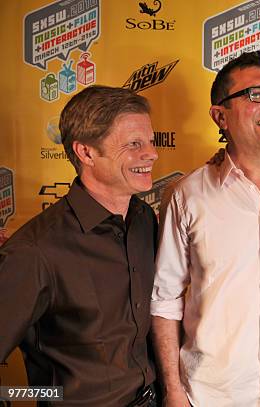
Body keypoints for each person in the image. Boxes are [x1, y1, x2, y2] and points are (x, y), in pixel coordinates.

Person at [150, 51, 260, 406]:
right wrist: (174, 390)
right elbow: (165, 298)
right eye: (256, 95)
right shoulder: (188, 195)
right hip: (208, 394)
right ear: (220, 115)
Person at [0, 85, 159, 405]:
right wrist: (53, 397)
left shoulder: (144, 220)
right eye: (134, 144)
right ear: (86, 153)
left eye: (151, 142)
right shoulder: (35, 251)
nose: (152, 153)